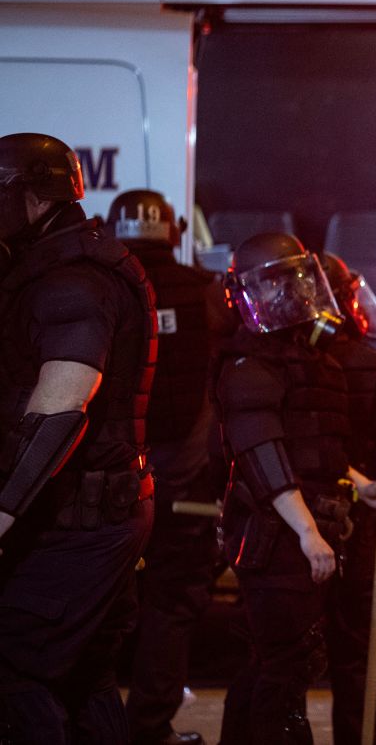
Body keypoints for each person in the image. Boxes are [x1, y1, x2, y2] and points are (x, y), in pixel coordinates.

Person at [0, 133, 157, 742]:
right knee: (85, 675)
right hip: (96, 509)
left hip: (79, 518)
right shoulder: (66, 263)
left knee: (15, 665)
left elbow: (63, 407)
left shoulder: (74, 281)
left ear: (34, 199)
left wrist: (4, 512)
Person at [214, 232, 376, 745]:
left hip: (303, 528)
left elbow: (319, 451)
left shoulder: (316, 362)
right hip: (276, 536)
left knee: (273, 662)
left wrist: (363, 486)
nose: (293, 293)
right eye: (277, 283)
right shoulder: (249, 367)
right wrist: (309, 533)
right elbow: (264, 456)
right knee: (284, 667)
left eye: (296, 279)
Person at [105, 190, 221, 745]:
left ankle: (87, 726)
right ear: (174, 230)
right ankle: (149, 727)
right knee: (171, 606)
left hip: (104, 483)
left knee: (93, 607)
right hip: (183, 483)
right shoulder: (206, 294)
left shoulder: (94, 287)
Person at [318, 251, 376, 745]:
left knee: (277, 656)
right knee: (354, 651)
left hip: (302, 515)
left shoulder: (279, 363)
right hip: (361, 519)